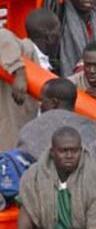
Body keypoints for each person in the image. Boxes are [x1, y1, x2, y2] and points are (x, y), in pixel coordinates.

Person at [0, 8, 60, 151]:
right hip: (12, 145)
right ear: (50, 37)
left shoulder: (47, 65)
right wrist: (19, 72)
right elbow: (2, 35)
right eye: (59, 32)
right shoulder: (25, 51)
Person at [16, 79, 96, 160]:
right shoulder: (94, 129)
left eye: (42, 101)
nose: (40, 105)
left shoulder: (32, 128)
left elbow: (20, 162)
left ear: (54, 102)